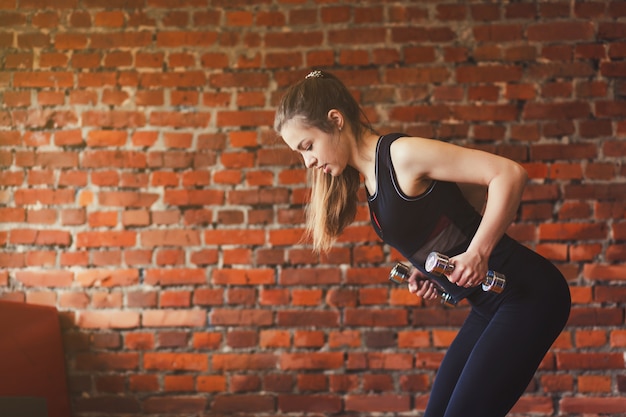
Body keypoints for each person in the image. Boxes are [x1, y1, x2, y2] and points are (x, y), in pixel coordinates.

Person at [274, 70, 571, 417]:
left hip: (527, 294)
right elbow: (457, 211)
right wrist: (433, 269)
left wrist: (478, 252)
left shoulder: (401, 155)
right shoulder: (370, 180)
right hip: (488, 305)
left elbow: (508, 174)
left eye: (307, 146)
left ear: (335, 120)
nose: (308, 161)